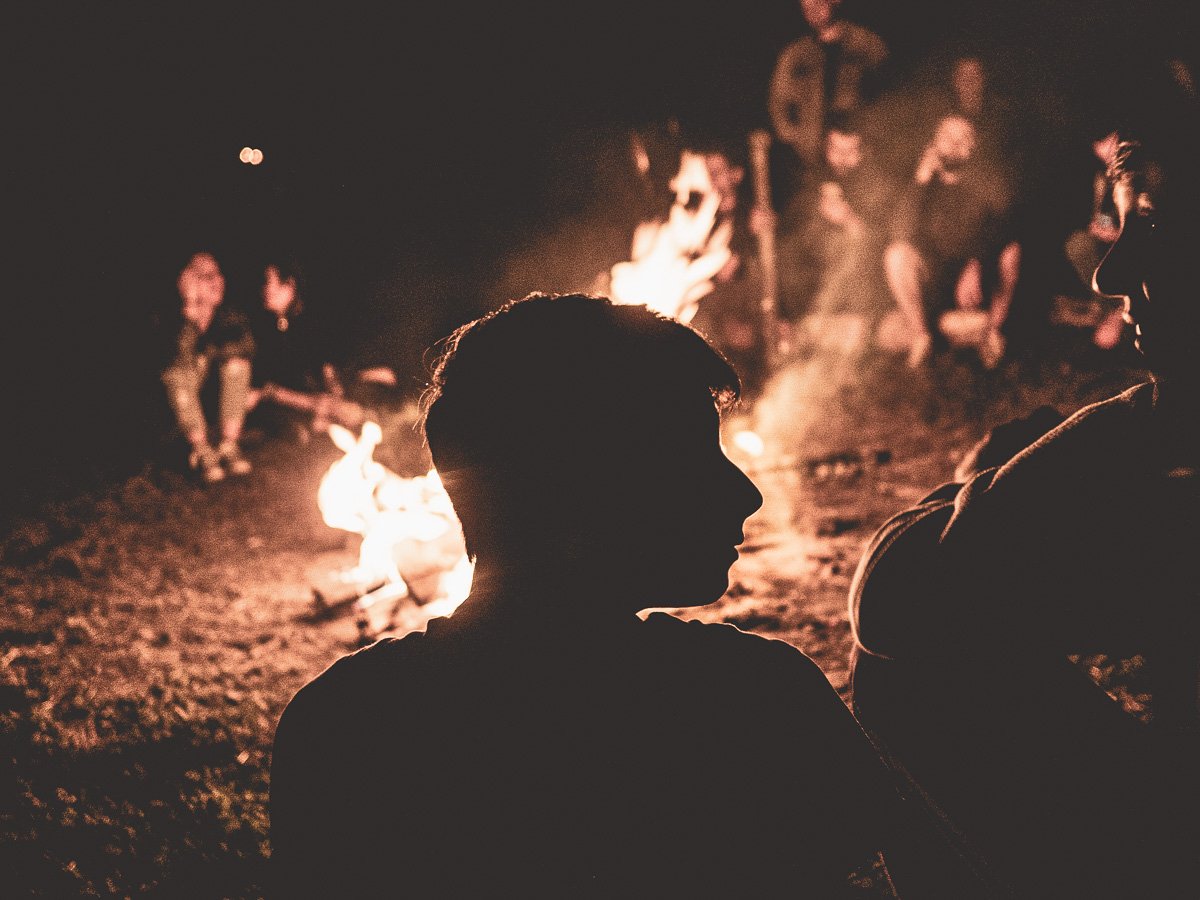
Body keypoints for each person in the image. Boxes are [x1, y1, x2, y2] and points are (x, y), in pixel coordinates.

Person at [272, 293, 898, 897]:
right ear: (590, 492)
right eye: (692, 459)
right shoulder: (756, 701)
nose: (745, 494)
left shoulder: (341, 727)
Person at [848, 86, 1200, 896]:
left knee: (907, 670)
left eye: (1148, 222)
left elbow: (895, 599)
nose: (1113, 270)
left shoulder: (1169, 437)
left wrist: (994, 477)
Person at [877, 115, 1020, 369]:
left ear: (973, 146)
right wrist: (920, 181)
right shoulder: (922, 184)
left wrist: (974, 265)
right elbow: (899, 232)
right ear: (934, 143)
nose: (954, 143)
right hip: (936, 281)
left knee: (1011, 252)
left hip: (974, 285)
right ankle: (923, 335)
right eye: (947, 137)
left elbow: (1002, 230)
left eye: (962, 137)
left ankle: (993, 331)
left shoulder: (983, 182)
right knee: (896, 255)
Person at [776, 118, 894, 353]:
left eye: (850, 151)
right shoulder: (814, 181)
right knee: (786, 253)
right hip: (813, 281)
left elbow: (881, 243)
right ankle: (790, 327)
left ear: (863, 152)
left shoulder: (876, 186)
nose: (842, 158)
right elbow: (790, 227)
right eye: (836, 150)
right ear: (826, 149)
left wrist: (847, 220)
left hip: (860, 286)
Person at [768, 0, 887, 200]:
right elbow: (778, 101)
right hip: (811, 158)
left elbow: (887, 92)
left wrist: (870, 136)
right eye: (806, 9)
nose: (813, 12)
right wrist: (795, 137)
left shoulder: (865, 44)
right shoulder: (795, 55)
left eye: (818, 4)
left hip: (856, 153)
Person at [158, 251, 255, 482]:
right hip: (176, 414)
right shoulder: (171, 318)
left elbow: (245, 347)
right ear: (187, 282)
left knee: (236, 366)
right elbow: (178, 362)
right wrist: (191, 310)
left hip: (213, 404)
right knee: (178, 375)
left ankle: (228, 447)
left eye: (218, 274)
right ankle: (200, 451)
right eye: (206, 276)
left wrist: (211, 355)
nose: (216, 282)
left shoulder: (228, 316)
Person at [1056, 128, 1127, 349]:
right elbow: (1105, 218)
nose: (1101, 150)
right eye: (1098, 145)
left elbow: (1151, 231)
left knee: (1106, 340)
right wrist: (1101, 227)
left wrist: (1115, 235)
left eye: (1107, 142)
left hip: (1141, 253)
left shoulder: (1139, 175)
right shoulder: (1104, 177)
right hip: (1115, 245)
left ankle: (1124, 307)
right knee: (1078, 244)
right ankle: (1107, 304)